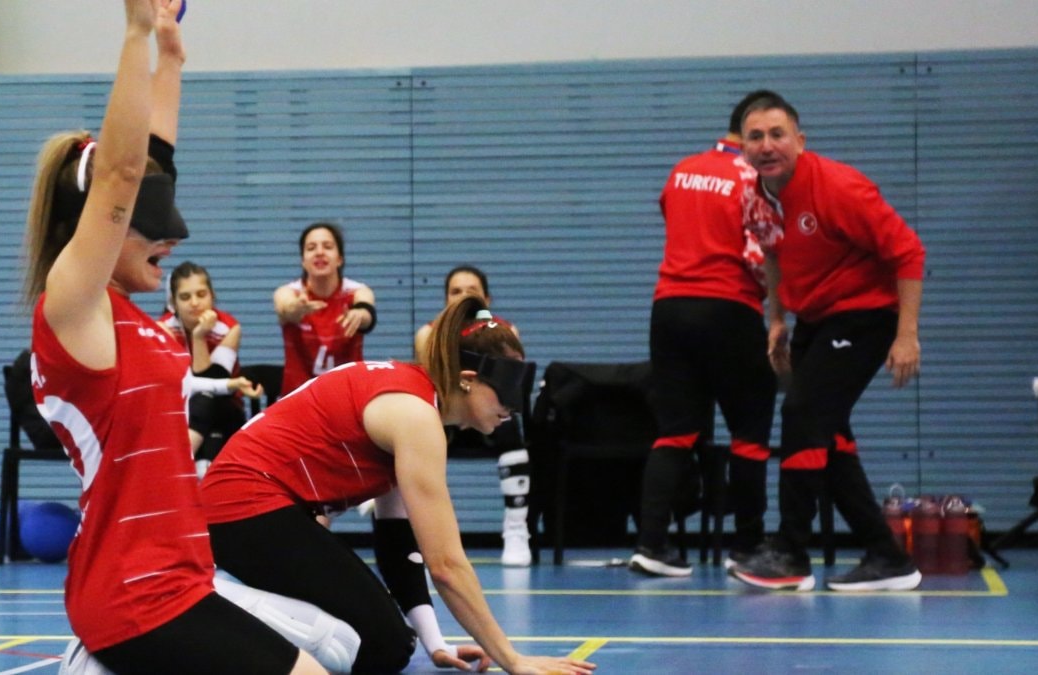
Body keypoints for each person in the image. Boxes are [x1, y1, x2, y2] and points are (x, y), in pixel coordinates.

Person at [22, 3, 327, 673]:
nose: (171, 238)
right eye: (145, 223)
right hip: (136, 595)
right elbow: (123, 174)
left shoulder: (129, 317)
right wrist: (134, 34)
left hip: (180, 579)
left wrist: (171, 55)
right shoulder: (73, 306)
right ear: (99, 224)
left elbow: (151, 164)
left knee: (336, 646)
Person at [201, 295, 597, 675]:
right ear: (467, 379)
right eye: (507, 391)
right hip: (244, 505)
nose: (513, 408)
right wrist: (511, 659)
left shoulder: (410, 399)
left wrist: (436, 643)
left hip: (245, 507)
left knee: (390, 645)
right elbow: (446, 565)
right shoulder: (416, 416)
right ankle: (220, 606)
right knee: (379, 646)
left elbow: (397, 539)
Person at [729, 91, 926, 592]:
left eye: (777, 134)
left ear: (800, 140)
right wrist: (777, 319)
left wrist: (906, 335)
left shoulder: (840, 187)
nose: (767, 145)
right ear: (742, 147)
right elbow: (772, 253)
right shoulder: (754, 195)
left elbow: (909, 253)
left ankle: (790, 552)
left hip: (865, 315)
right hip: (815, 319)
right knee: (828, 436)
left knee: (801, 414)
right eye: (756, 137)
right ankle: (887, 556)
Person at [629, 91, 780, 577]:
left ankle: (652, 545)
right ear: (749, 130)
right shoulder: (753, 177)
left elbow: (674, 221)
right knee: (749, 432)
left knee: (675, 431)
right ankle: (748, 546)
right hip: (729, 307)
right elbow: (758, 254)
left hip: (669, 309)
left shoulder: (682, 170)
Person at [415, 265, 533, 567]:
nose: (463, 297)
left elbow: (508, 386)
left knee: (510, 424)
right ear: (446, 299)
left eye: (471, 292)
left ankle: (516, 529)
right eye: (455, 291)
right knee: (420, 431)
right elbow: (433, 383)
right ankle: (423, 535)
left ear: (486, 300)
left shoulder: (505, 333)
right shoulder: (429, 334)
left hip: (488, 415)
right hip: (448, 412)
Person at [159, 261, 261, 475]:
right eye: (185, 297)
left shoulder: (229, 328)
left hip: (226, 410)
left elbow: (213, 381)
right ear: (173, 303)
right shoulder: (163, 330)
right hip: (181, 410)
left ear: (212, 296)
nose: (194, 303)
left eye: (201, 294)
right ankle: (198, 469)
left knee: (206, 398)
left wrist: (198, 336)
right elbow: (180, 385)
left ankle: (176, 465)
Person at [273, 222, 375, 395]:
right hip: (299, 397)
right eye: (311, 248)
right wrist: (295, 309)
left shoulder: (357, 291)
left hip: (347, 395)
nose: (319, 252)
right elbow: (285, 307)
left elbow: (367, 312)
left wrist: (359, 314)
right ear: (303, 261)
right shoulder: (289, 292)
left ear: (340, 259)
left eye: (327, 246)